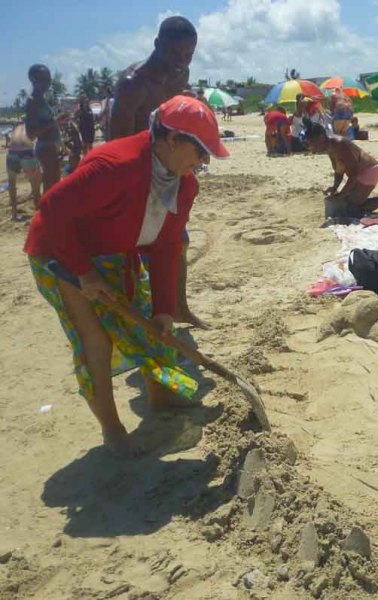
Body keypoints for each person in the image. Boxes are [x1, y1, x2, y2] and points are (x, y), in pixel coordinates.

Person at [23, 96, 229, 458]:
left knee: (152, 325)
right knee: (96, 342)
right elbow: (52, 210)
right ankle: (112, 430)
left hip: (115, 250)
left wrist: (166, 308)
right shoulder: (115, 166)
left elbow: (166, 246)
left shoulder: (184, 185)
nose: (204, 161)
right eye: (200, 151)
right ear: (171, 141)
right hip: (62, 251)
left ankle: (161, 397)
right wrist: (84, 273)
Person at [110, 16, 204, 329]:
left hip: (170, 169)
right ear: (157, 45)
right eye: (176, 53)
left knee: (179, 241)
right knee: (138, 252)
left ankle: (179, 308)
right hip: (135, 174)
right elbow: (116, 145)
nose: (181, 62)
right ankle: (144, 321)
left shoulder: (180, 75)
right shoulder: (132, 84)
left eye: (188, 55)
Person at [307, 123, 378, 224]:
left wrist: (342, 193)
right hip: (358, 174)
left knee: (352, 209)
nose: (313, 148)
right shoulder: (329, 146)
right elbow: (338, 172)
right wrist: (334, 188)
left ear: (321, 137)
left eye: (313, 143)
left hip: (369, 171)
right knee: (346, 204)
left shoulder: (339, 144)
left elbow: (354, 172)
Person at [24, 64, 61, 194]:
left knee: (54, 185)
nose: (49, 82)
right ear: (34, 80)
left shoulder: (41, 99)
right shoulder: (32, 101)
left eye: (49, 79)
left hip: (50, 147)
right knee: (51, 187)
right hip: (46, 148)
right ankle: (47, 213)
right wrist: (56, 121)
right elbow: (31, 134)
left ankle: (51, 212)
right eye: (45, 79)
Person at [5, 124, 42, 220]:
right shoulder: (31, 126)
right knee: (35, 186)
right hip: (27, 152)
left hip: (12, 152)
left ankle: (14, 214)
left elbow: (9, 141)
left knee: (11, 184)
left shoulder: (15, 129)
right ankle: (37, 212)